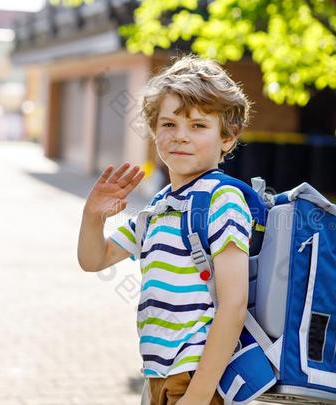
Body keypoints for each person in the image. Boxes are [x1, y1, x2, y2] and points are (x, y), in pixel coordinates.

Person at [77, 54, 253, 405]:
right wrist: (92, 216)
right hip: (158, 374)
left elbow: (234, 305)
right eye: (169, 124)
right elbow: (94, 260)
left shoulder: (222, 199)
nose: (180, 137)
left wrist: (199, 395)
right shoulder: (158, 206)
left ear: (227, 138)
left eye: (199, 126)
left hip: (195, 377)